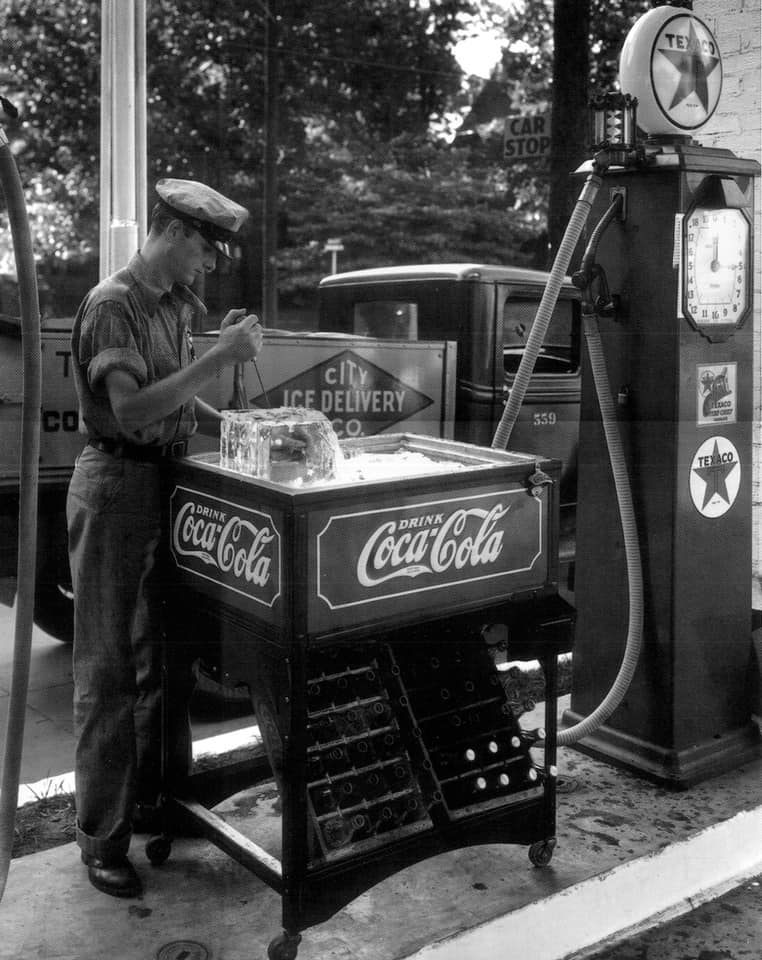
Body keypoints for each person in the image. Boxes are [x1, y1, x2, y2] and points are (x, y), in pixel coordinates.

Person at [66, 178, 264, 898]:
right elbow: (129, 414)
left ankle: (155, 800)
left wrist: (235, 421)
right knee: (109, 671)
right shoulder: (114, 303)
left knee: (166, 665)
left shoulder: (177, 304)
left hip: (169, 484)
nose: (208, 268)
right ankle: (102, 839)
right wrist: (218, 358)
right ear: (176, 232)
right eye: (207, 252)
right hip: (116, 486)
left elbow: (175, 399)